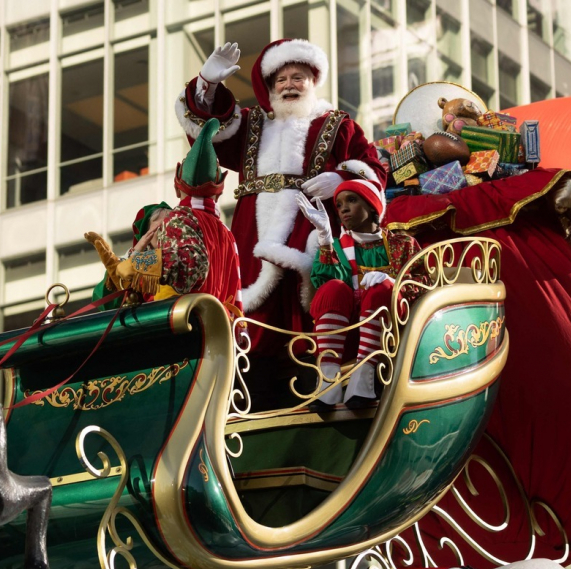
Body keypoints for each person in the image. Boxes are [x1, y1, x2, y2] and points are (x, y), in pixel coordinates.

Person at [176, 39, 385, 356]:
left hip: (312, 228)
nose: (290, 85)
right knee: (249, 314)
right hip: (253, 234)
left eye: (298, 77)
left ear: (313, 81)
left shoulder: (339, 125)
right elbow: (208, 133)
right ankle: (250, 375)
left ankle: (318, 372)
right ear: (271, 86)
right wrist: (208, 84)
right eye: (281, 79)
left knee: (310, 303)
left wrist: (340, 179)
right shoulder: (251, 124)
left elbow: (374, 171)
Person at [87, 118, 243, 312]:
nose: (164, 229)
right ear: (219, 192)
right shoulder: (225, 233)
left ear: (177, 189)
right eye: (157, 226)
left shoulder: (183, 220)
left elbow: (191, 263)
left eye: (167, 226)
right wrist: (128, 261)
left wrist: (135, 264)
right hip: (216, 332)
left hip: (190, 331)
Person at [300, 169, 423, 408]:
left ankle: (364, 379)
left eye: (352, 200)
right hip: (346, 323)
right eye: (339, 204)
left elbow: (422, 284)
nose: (343, 208)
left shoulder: (402, 244)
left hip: (391, 326)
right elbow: (325, 286)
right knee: (333, 288)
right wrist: (325, 238)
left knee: (379, 290)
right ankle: (327, 382)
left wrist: (391, 281)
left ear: (371, 206)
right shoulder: (334, 247)